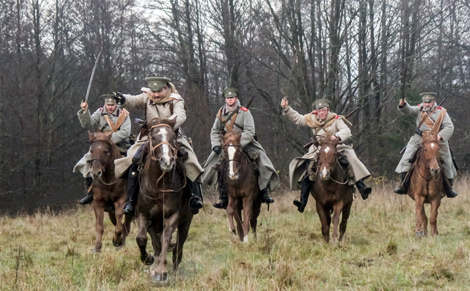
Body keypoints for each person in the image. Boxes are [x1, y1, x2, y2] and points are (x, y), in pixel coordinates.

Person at [113, 76, 204, 215]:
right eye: (153, 91)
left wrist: (166, 126)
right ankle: (131, 200)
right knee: (132, 160)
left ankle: (193, 197)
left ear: (166, 89)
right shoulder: (147, 97)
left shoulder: (176, 100)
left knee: (190, 160)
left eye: (159, 91)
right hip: (149, 137)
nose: (155, 95)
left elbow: (180, 115)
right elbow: (133, 100)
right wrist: (123, 99)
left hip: (173, 137)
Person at [280, 97, 372, 213]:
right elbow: (298, 118)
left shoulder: (336, 119)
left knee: (350, 158)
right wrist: (287, 108)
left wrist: (337, 136)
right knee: (308, 167)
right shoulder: (312, 118)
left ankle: (362, 187)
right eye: (319, 110)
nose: (321, 113)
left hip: (336, 147)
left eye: (324, 110)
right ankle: (302, 201)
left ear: (328, 110)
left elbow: (346, 130)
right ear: (316, 111)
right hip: (318, 148)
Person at [202, 87, 279, 209]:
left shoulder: (245, 112)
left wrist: (239, 145)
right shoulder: (221, 113)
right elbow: (215, 131)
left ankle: (264, 192)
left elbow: (250, 131)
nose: (230, 100)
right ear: (225, 99)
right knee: (212, 166)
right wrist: (216, 145)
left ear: (236, 98)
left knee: (264, 164)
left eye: (232, 98)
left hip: (245, 144)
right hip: (226, 146)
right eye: (228, 98)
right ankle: (222, 196)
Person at [394, 92, 458, 198]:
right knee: (406, 157)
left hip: (437, 139)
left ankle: (449, 188)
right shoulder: (419, 109)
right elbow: (409, 110)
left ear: (433, 102)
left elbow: (449, 127)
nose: (426, 104)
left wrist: (440, 136)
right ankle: (403, 185)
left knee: (447, 160)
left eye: (429, 102)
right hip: (419, 139)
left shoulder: (442, 112)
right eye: (425, 102)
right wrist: (403, 105)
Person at [73, 95, 131, 205]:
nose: (110, 107)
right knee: (88, 161)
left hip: (120, 145)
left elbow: (125, 132)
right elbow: (88, 124)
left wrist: (108, 140)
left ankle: (131, 192)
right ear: (105, 104)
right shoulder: (99, 112)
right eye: (108, 105)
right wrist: (85, 112)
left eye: (112, 105)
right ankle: (90, 192)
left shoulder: (124, 115)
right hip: (101, 145)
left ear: (116, 104)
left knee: (132, 163)